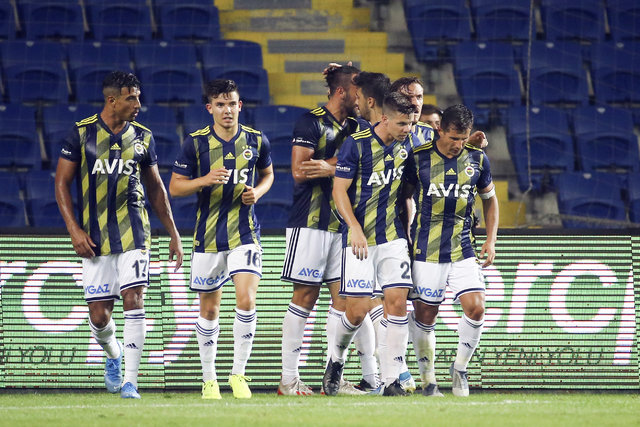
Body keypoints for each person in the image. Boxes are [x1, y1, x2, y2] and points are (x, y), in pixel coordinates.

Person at [55, 71, 184, 399]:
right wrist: (74, 230)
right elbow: (61, 184)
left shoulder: (143, 137)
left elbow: (155, 188)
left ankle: (131, 382)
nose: (138, 104)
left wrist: (173, 233)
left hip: (134, 232)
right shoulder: (81, 133)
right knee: (99, 317)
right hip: (94, 237)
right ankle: (113, 353)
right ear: (112, 100)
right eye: (131, 98)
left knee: (134, 299)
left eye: (138, 97)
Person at [169, 79, 274, 400]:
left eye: (231, 103)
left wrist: (258, 192)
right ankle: (209, 380)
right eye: (220, 104)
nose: (227, 110)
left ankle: (238, 374)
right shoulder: (195, 143)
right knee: (210, 310)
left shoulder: (257, 140)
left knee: (247, 300)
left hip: (245, 233)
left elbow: (269, 174)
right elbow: (175, 187)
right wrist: (204, 179)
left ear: (240, 106)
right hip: (208, 237)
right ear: (209, 108)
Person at [279, 65, 370, 396]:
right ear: (342, 91)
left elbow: (363, 165)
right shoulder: (311, 121)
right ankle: (288, 379)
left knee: (343, 301)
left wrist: (331, 166)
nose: (361, 98)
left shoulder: (358, 127)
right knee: (305, 296)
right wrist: (343, 166)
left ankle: (334, 378)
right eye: (357, 91)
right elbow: (300, 171)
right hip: (310, 223)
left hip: (343, 226)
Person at [324, 92, 417, 397]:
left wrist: (474, 143)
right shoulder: (357, 144)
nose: (407, 129)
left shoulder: (411, 142)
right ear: (385, 119)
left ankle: (391, 380)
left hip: (393, 237)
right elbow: (339, 191)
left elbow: (441, 146)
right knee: (357, 312)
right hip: (359, 239)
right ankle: (336, 359)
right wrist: (354, 227)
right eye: (402, 123)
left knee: (398, 305)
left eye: (411, 123)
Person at [402, 104, 498, 397]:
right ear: (440, 130)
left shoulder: (477, 159)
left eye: (463, 138)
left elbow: (490, 200)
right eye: (454, 138)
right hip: (426, 249)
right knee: (425, 316)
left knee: (477, 308)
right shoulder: (418, 158)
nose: (458, 144)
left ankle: (460, 368)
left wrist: (491, 240)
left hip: (463, 247)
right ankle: (428, 380)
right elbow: (403, 197)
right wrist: (405, 235)